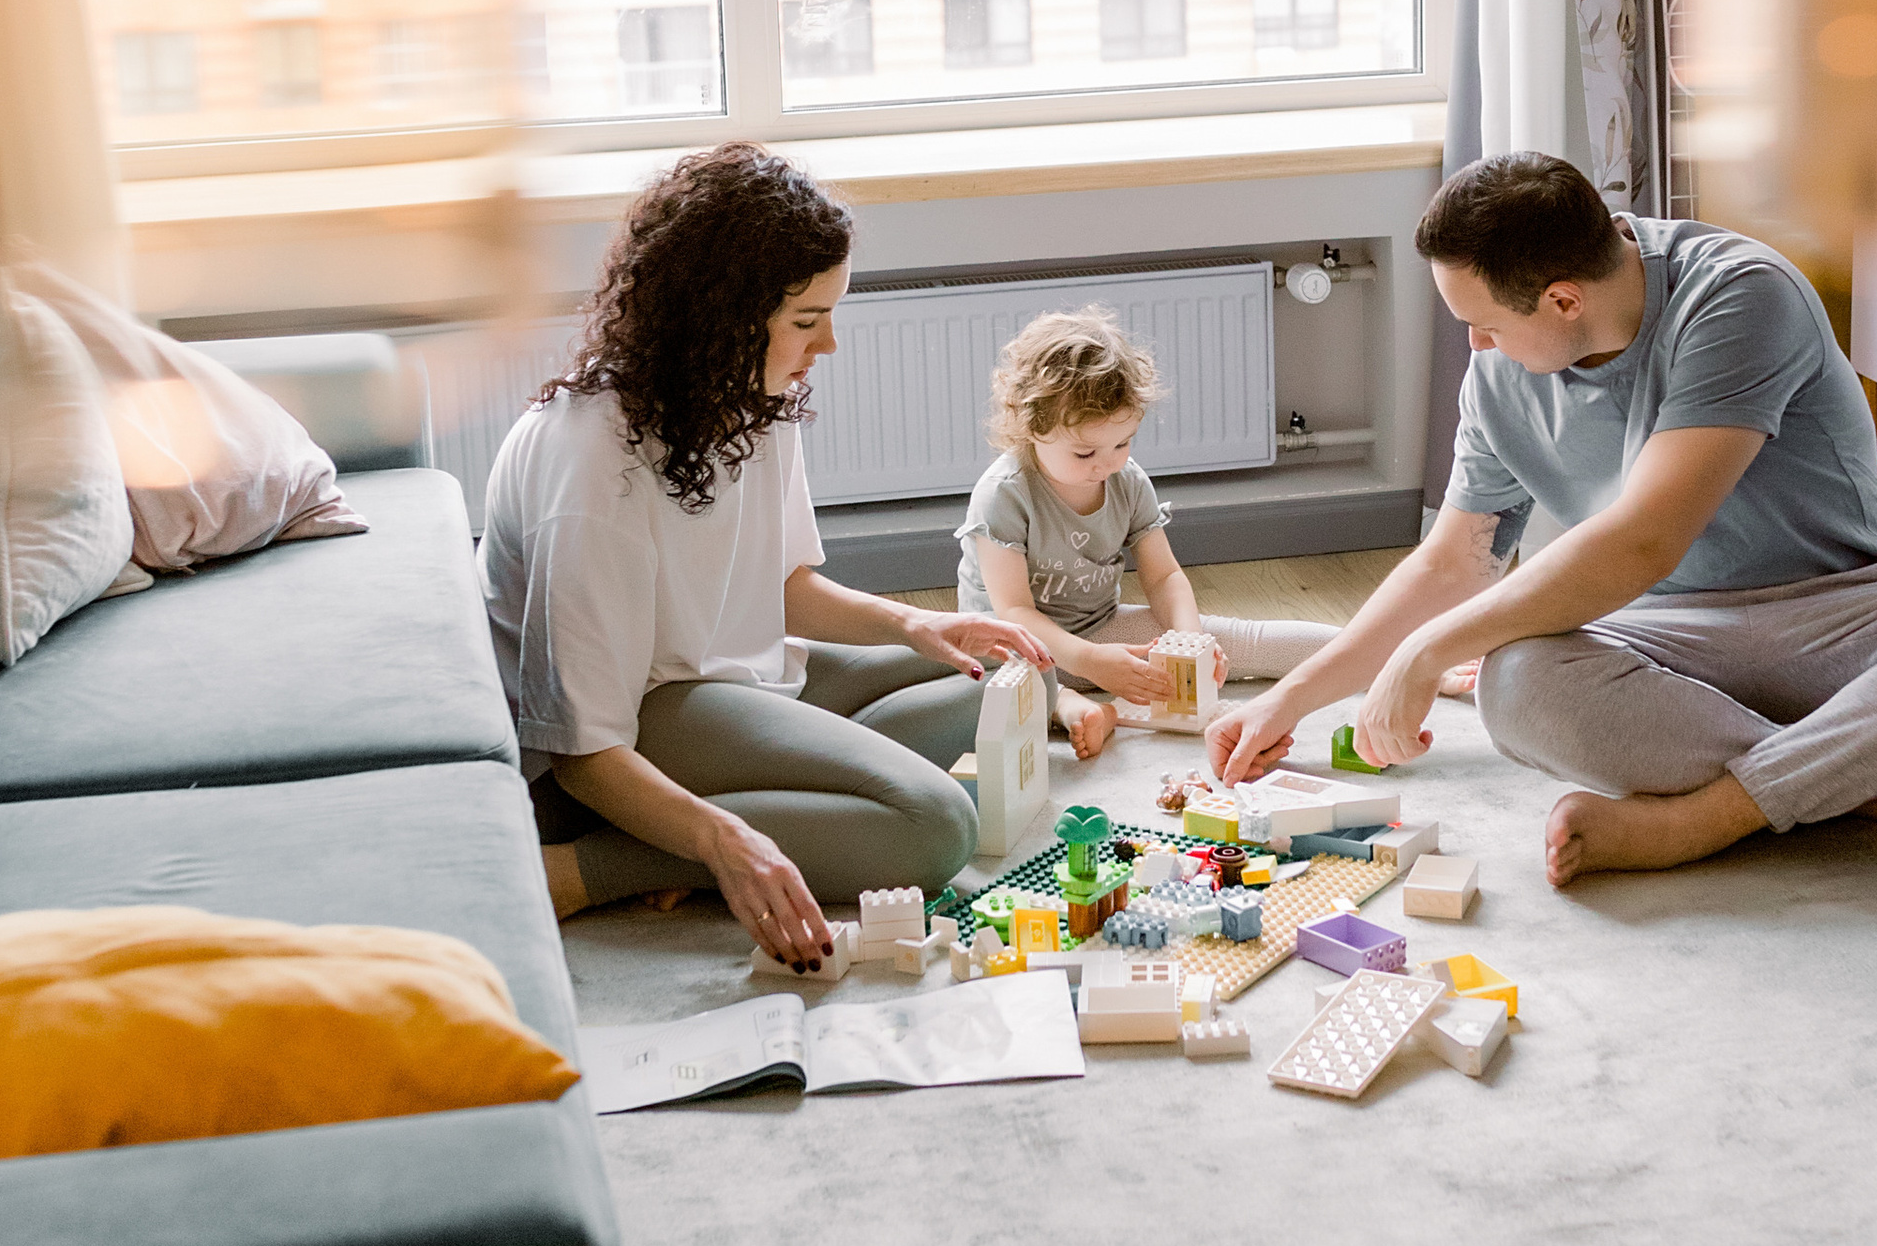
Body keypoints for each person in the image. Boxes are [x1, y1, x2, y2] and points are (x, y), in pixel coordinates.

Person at [1207, 152, 1877, 885]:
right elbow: (1455, 563)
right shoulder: (1500, 375)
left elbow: (1643, 540)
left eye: (1481, 323)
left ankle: (1706, 818)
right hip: (1677, 647)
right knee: (1516, 682)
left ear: (1564, 298)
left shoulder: (1739, 296)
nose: (1473, 347)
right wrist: (1287, 700)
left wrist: (1426, 651)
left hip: (1851, 626)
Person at [481, 144, 1049, 962]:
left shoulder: (752, 398)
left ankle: (791, 801)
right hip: (630, 734)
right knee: (935, 827)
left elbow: (784, 586)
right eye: (807, 322)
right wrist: (723, 845)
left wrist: (918, 628)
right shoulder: (591, 469)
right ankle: (590, 868)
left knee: (1019, 668)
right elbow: (584, 754)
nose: (829, 348)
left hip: (730, 681)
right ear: (718, 320)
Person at [957, 306, 1330, 757]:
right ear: (1032, 428)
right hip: (1015, 646)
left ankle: (1397, 658)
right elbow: (1014, 611)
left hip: (1100, 629)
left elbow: (1163, 576)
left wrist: (1190, 640)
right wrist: (1091, 663)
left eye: (1122, 442)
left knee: (1242, 639)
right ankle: (1073, 708)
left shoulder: (1127, 480)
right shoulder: (1004, 494)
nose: (1106, 463)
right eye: (1084, 452)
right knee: (987, 692)